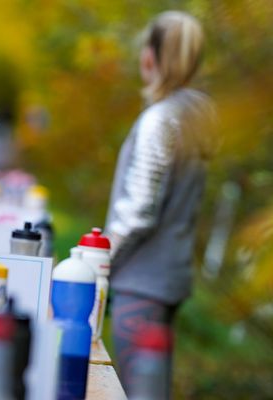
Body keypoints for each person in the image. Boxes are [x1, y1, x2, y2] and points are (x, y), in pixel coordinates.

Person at [105, 11, 216, 399]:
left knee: (140, 391)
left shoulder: (160, 119)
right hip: (171, 278)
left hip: (141, 282)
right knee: (153, 389)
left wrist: (100, 262)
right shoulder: (199, 116)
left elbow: (138, 210)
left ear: (150, 58)